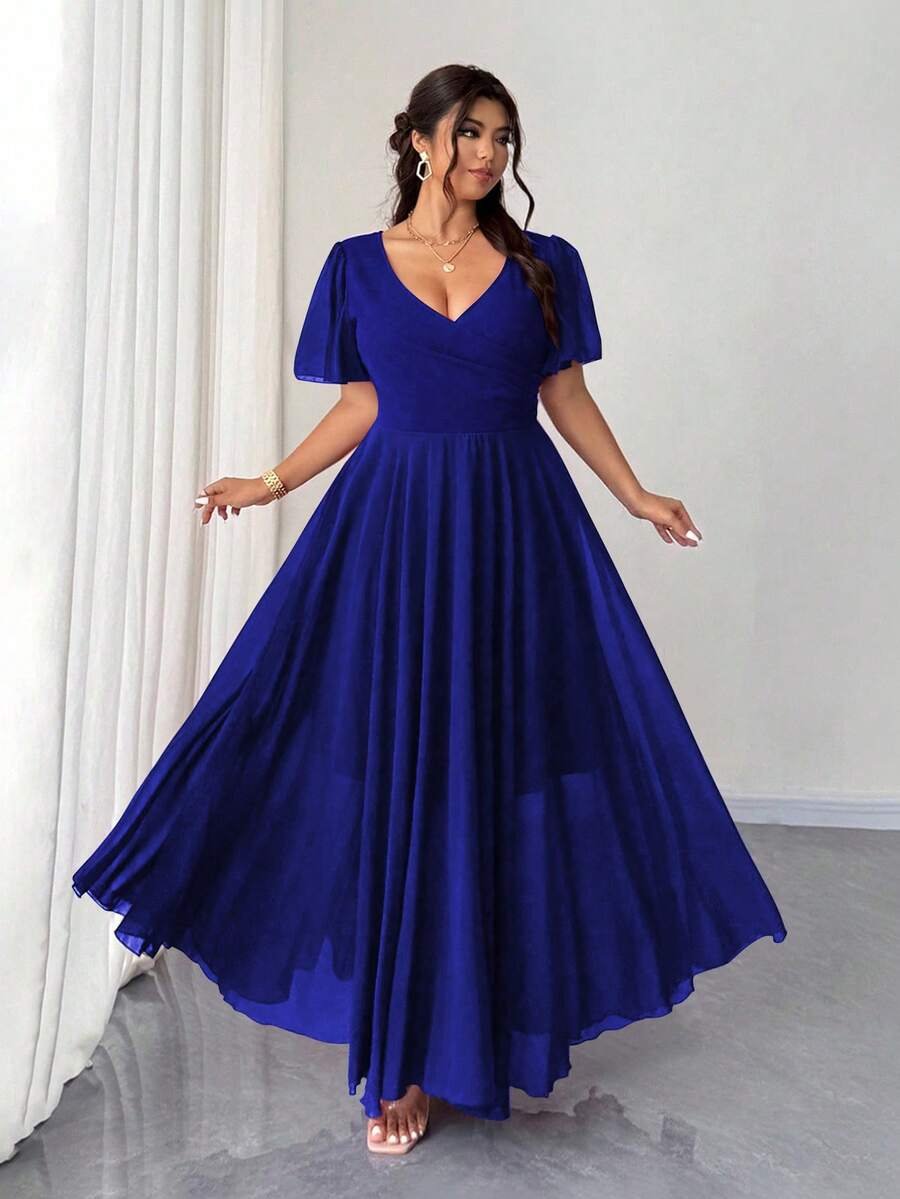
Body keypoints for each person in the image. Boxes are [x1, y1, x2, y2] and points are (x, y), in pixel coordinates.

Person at [72, 64, 787, 1157]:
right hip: (393, 534)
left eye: (503, 137)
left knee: (502, 768)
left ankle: (477, 1026)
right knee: (394, 767)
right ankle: (403, 1051)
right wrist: (270, 480)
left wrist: (635, 494)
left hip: (516, 532)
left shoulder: (547, 264)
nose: (489, 154)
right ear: (416, 139)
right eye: (470, 133)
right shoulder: (355, 266)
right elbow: (362, 403)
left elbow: (564, 394)